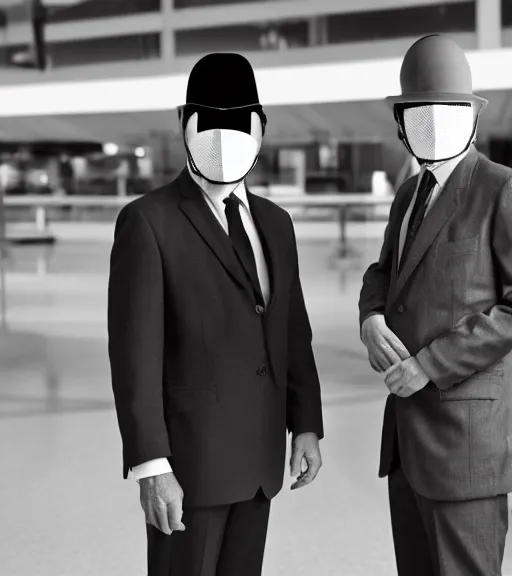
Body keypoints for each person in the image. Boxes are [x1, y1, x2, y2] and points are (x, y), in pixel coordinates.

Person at [107, 52, 324, 576]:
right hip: (190, 468)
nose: (224, 138)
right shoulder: (148, 222)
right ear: (185, 124)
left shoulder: (276, 223)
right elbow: (134, 356)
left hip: (259, 464)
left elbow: (291, 332)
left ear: (261, 128)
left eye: (238, 121)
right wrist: (152, 467)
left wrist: (307, 426)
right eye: (210, 121)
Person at [359, 34, 512, 576]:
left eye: (445, 109)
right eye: (417, 111)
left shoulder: (500, 189)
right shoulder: (408, 194)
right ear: (401, 122)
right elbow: (384, 271)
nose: (431, 121)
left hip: (464, 449)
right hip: (406, 444)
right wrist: (371, 315)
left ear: (471, 115)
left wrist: (430, 364)